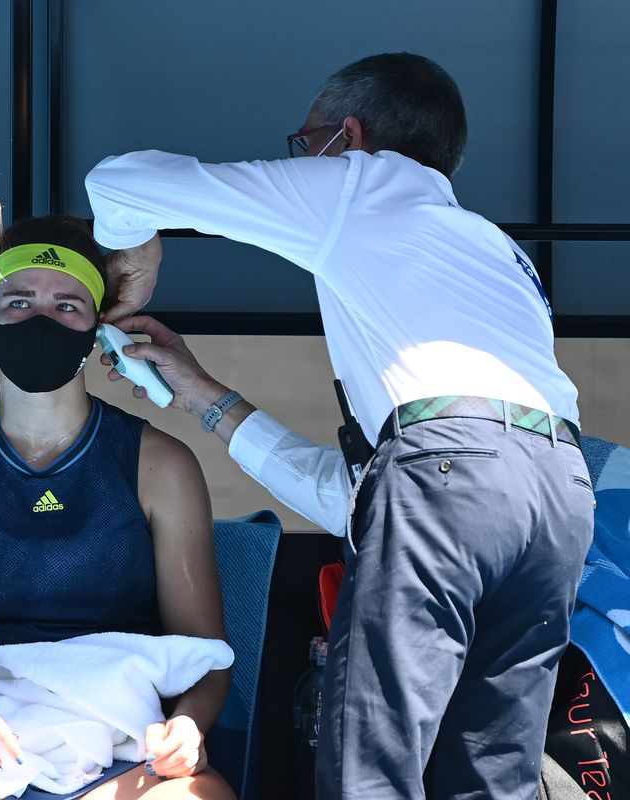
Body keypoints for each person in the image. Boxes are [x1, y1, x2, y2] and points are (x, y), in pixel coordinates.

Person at [84, 52, 596, 800]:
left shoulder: (359, 181)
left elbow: (117, 181)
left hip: (448, 477)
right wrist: (202, 395)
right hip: (560, 494)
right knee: (492, 771)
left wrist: (136, 258)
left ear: (343, 137)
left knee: (370, 758)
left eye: (304, 143)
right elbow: (366, 495)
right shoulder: (492, 254)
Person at [0, 215, 237, 800]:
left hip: (118, 739)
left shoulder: (161, 465)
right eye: (18, 301)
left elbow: (207, 659)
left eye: (67, 305)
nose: (42, 320)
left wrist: (186, 727)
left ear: (97, 327)